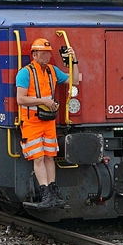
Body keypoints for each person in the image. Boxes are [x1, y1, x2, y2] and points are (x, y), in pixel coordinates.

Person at [16, 38, 79, 207]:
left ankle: (52, 193)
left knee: (50, 157)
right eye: (43, 53)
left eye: (48, 53)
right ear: (34, 55)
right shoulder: (25, 73)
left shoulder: (52, 71)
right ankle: (45, 194)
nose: (46, 57)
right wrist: (44, 101)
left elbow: (75, 80)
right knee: (38, 158)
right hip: (31, 122)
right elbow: (20, 99)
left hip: (48, 121)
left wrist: (74, 61)